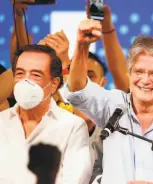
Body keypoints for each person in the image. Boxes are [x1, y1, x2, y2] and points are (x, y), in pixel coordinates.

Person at [65, 19, 153, 184]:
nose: (145, 80)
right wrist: (81, 46)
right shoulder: (113, 104)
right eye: (139, 72)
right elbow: (77, 91)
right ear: (129, 76)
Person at [0, 44, 92, 183]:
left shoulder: (72, 127)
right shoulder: (2, 121)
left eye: (36, 75)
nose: (26, 81)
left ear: (54, 84)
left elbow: (76, 179)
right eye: (20, 73)